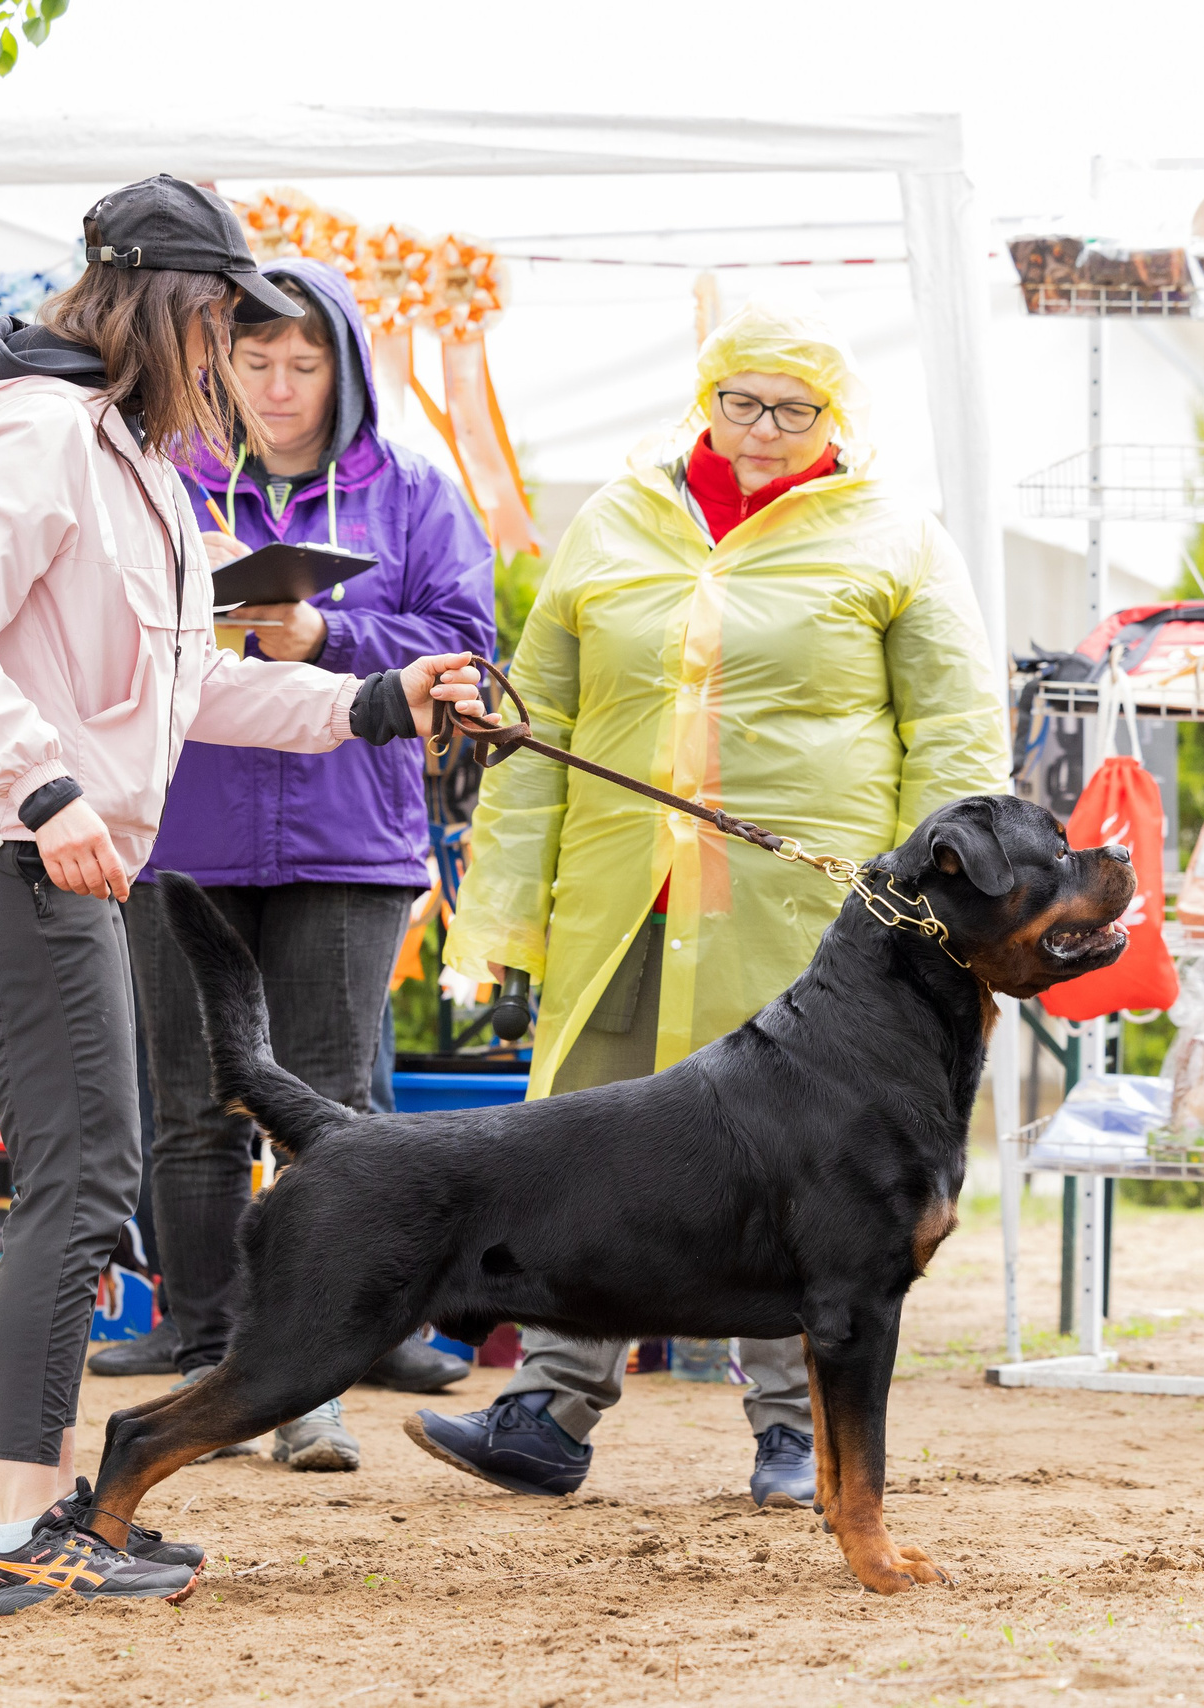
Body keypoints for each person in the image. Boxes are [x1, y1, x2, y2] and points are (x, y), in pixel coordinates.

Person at [0, 175, 482, 1616]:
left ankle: (46, 1520)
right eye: (222, 323)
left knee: (86, 1179)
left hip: (54, 854)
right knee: (86, 1183)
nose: (235, 360)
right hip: (8, 854)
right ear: (168, 306)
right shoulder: (36, 435)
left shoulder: (131, 456)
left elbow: (184, 681)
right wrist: (45, 787)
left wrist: (372, 706)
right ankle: (21, 1536)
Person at [411, 300, 1011, 1506]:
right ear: (707, 401)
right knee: (584, 1145)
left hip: (814, 917)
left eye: (796, 410)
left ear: (836, 420)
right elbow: (543, 726)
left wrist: (953, 916)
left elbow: (953, 731)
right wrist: (508, 905)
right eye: (744, 403)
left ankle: (797, 1430)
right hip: (620, 896)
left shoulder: (896, 535)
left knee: (808, 1169)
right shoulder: (614, 520)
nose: (766, 428)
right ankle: (546, 1410)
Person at [90, 259, 496, 1466]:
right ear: (218, 361)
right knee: (191, 1104)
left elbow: (468, 645)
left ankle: (327, 1355)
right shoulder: (164, 480)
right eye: (256, 358)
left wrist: (332, 634)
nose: (278, 385)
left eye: (304, 363)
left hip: (348, 834)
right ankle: (209, 1340)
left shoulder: (414, 489)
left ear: (347, 369)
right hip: (184, 829)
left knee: (339, 1108)